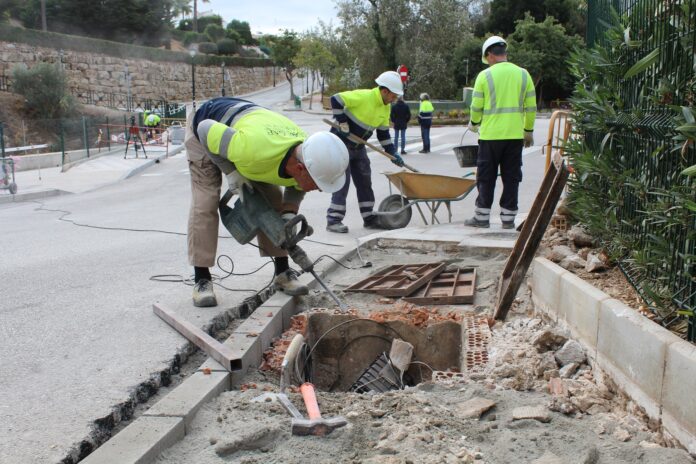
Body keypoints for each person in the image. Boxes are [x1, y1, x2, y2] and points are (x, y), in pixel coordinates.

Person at [185, 97, 349, 307]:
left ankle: (282, 272)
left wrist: (289, 213)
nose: (318, 188)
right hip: (206, 129)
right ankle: (202, 279)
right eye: (317, 183)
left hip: (251, 137)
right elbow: (205, 129)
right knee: (205, 202)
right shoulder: (250, 149)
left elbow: (295, 186)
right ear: (300, 169)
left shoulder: (307, 153)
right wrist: (232, 172)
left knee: (274, 202)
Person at [465, 35, 536, 230]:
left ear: (489, 55)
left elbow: (476, 106)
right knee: (511, 177)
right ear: (504, 53)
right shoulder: (523, 75)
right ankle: (508, 219)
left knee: (486, 177)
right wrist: (528, 130)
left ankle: (481, 217)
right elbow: (531, 107)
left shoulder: (484, 76)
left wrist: (473, 123)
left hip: (490, 137)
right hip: (515, 137)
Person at [325, 71, 405, 234]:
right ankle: (334, 219)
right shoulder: (364, 96)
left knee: (364, 180)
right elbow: (336, 99)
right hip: (341, 143)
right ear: (384, 91)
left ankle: (369, 217)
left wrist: (392, 153)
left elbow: (383, 134)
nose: (394, 99)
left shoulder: (385, 107)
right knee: (343, 182)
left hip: (358, 146)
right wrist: (343, 122)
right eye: (393, 95)